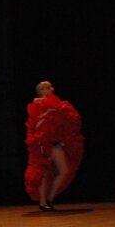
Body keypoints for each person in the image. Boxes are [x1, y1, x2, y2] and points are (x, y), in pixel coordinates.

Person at [24, 81, 84, 211]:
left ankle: (50, 199)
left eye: (51, 87)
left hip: (55, 143)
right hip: (42, 143)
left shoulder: (58, 104)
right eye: (48, 87)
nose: (52, 89)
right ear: (41, 90)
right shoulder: (37, 104)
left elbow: (65, 122)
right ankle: (43, 202)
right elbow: (35, 125)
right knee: (43, 172)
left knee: (64, 171)